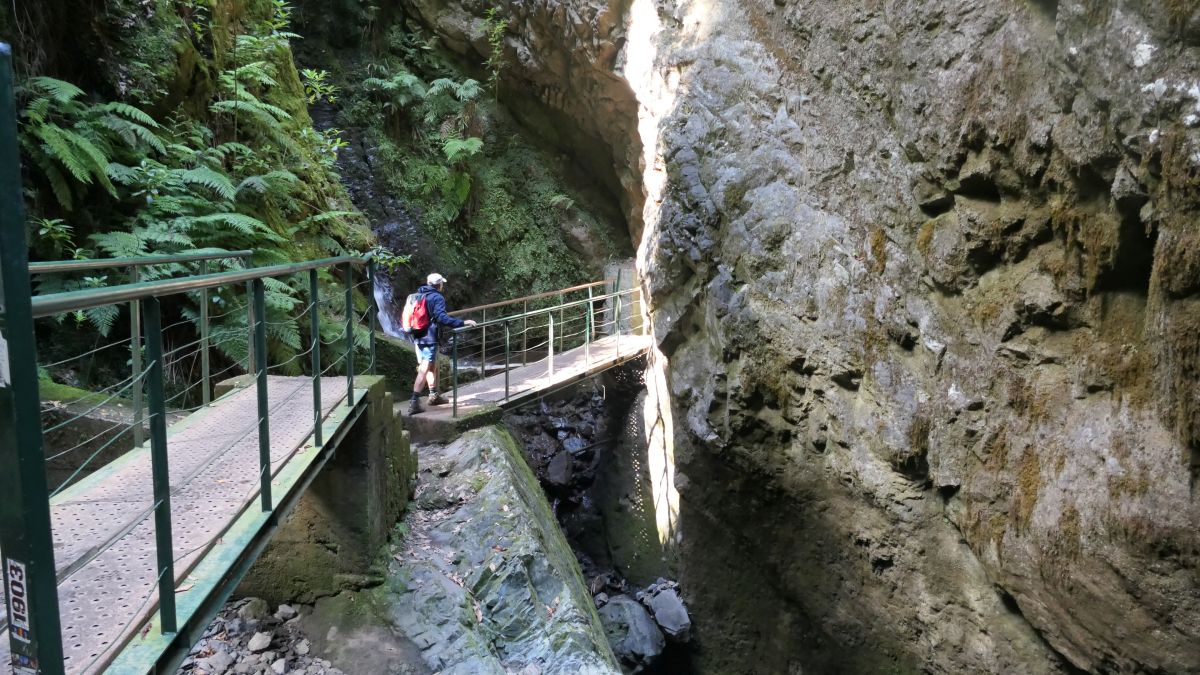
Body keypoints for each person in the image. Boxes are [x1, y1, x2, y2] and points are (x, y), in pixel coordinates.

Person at [409, 272, 475, 415]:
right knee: (424, 368)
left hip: (418, 336)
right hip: (429, 338)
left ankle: (433, 395)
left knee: (432, 365)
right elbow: (441, 318)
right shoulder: (437, 297)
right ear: (439, 285)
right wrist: (462, 322)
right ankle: (414, 401)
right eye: (442, 284)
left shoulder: (418, 294)